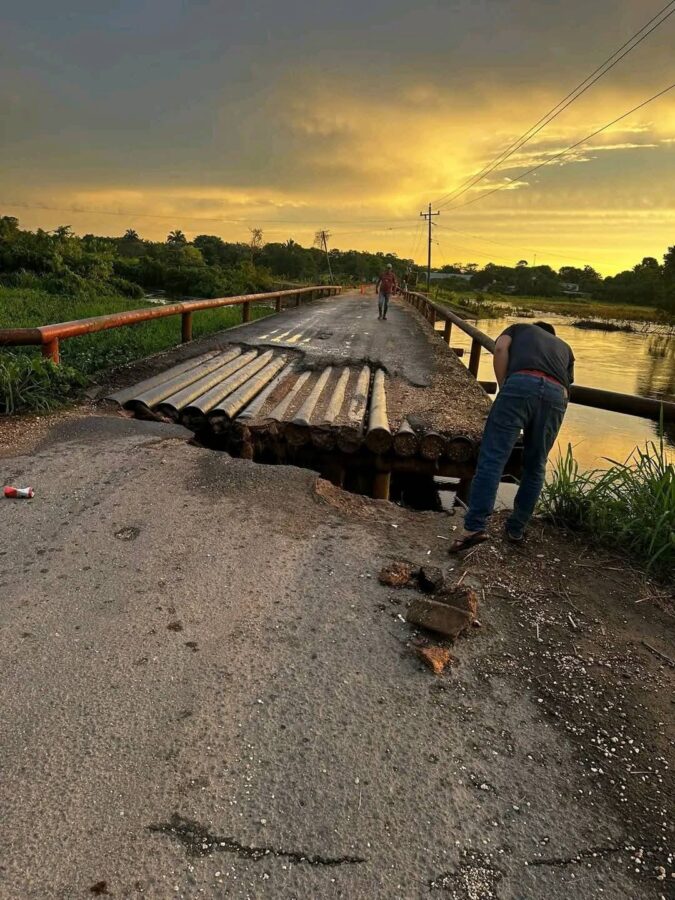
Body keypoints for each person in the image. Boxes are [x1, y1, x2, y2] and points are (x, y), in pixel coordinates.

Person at [450, 321, 575, 552]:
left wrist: (505, 386)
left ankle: (475, 527)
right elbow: (567, 388)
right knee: (536, 465)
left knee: (493, 458)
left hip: (520, 384)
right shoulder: (565, 347)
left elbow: (499, 349)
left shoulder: (519, 329)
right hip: (556, 396)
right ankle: (516, 529)